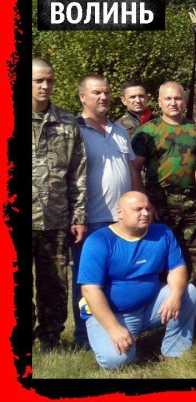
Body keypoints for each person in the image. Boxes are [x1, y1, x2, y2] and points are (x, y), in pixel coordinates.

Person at [78, 192, 196, 370]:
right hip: (112, 314)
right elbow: (90, 290)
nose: (145, 213)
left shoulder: (162, 232)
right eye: (138, 209)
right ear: (120, 213)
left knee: (189, 292)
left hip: (150, 307)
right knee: (116, 362)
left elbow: (177, 268)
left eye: (148, 208)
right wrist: (114, 328)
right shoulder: (99, 241)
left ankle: (175, 351)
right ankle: (120, 338)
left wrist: (174, 296)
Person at [73, 74, 142, 348]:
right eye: (96, 92)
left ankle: (123, 327)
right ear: (82, 97)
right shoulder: (73, 130)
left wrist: (141, 203)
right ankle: (84, 337)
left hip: (123, 219)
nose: (103, 97)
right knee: (89, 281)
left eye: (106, 92)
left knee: (121, 278)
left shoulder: (120, 130)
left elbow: (132, 169)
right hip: (91, 219)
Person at [32, 58, 87, 351]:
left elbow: (78, 173)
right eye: (38, 80)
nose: (45, 86)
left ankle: (50, 341)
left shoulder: (67, 122)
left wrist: (78, 216)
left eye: (49, 80)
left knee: (55, 285)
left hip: (56, 218)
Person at [131, 82, 196, 279]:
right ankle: (163, 293)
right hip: (160, 203)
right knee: (160, 251)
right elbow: (134, 169)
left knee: (194, 253)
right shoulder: (147, 132)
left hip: (193, 203)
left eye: (178, 98)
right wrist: (145, 204)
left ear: (184, 101)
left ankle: (191, 293)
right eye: (168, 99)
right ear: (159, 102)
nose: (173, 103)